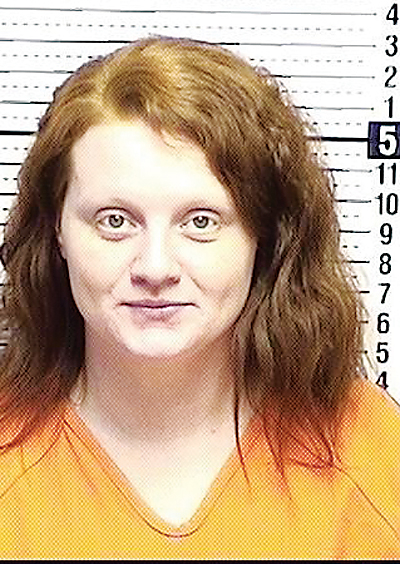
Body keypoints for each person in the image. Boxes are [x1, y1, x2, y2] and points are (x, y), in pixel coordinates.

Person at [0, 35, 399, 559]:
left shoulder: (372, 456)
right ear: (57, 232)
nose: (155, 268)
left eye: (201, 222)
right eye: (115, 221)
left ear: (264, 237)